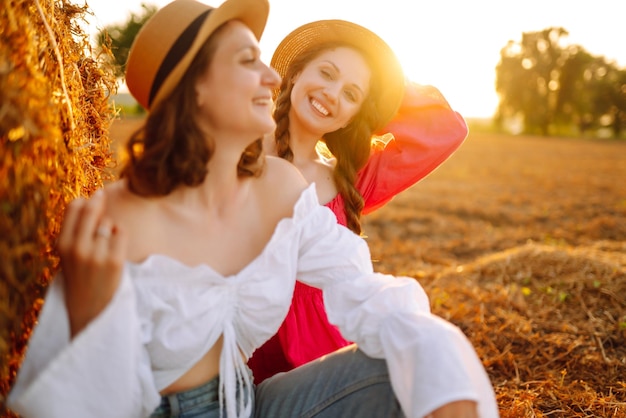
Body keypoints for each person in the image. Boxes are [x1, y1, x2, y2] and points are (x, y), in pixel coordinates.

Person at [7, 0, 499, 417]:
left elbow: (364, 289)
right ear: (196, 87)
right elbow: (70, 402)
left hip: (251, 399)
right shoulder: (115, 219)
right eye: (248, 61)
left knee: (423, 358)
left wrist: (440, 359)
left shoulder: (286, 188)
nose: (271, 74)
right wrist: (91, 318)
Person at [249, 19, 470, 383]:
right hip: (243, 347)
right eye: (326, 73)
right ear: (295, 72)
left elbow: (446, 128)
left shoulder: (349, 180)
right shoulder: (243, 146)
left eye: (351, 94)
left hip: (322, 358)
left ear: (355, 115)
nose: (333, 94)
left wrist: (388, 90)